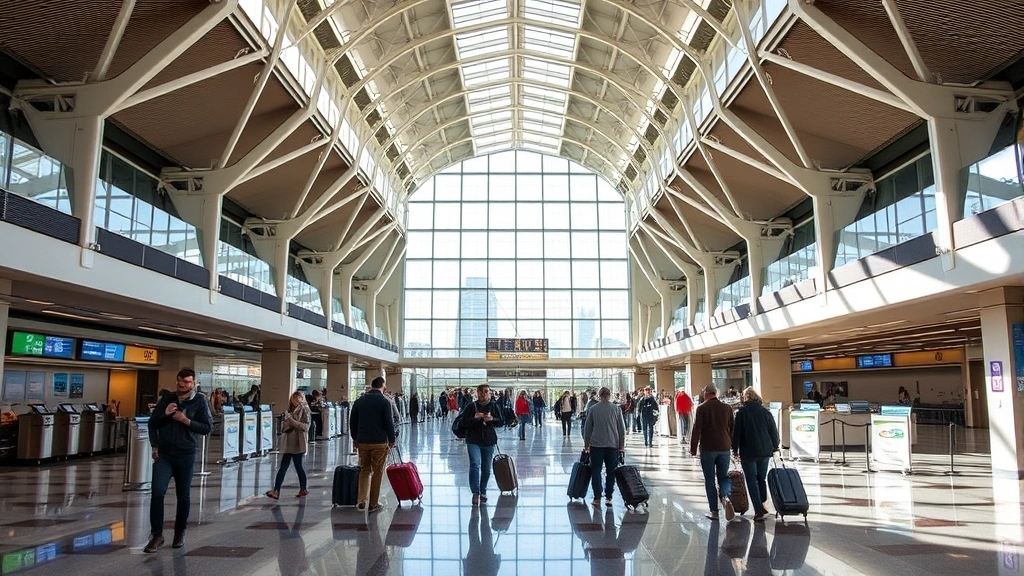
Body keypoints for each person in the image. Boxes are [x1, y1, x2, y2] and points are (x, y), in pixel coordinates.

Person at [144, 367, 212, 553]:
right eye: (180, 381)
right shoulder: (167, 399)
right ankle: (157, 535)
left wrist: (186, 421)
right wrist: (156, 441)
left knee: (183, 496)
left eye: (187, 382)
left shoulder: (199, 401)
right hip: (165, 454)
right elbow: (153, 423)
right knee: (157, 491)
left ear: (193, 383)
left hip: (185, 454)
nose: (183, 385)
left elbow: (207, 427)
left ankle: (179, 532)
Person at [349, 376, 396, 513]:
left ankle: (362, 500)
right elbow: (389, 423)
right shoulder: (384, 402)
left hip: (363, 441)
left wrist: (355, 438)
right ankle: (373, 504)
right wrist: (392, 439)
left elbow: (353, 422)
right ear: (382, 385)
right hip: (380, 442)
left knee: (364, 470)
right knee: (377, 472)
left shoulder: (359, 401)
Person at [732, 387, 780, 522]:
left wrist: (734, 449)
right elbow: (773, 431)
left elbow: (737, 433)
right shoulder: (766, 412)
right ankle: (763, 505)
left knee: (751, 480)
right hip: (765, 450)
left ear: (745, 398)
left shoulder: (741, 412)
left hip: (748, 451)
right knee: (761, 478)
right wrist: (775, 445)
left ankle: (758, 510)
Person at [690, 385, 736, 521]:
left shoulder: (702, 408)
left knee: (710, 480)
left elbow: (696, 429)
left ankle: (714, 512)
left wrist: (693, 448)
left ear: (706, 394)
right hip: (724, 448)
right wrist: (732, 447)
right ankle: (726, 497)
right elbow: (732, 428)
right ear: (716, 393)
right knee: (723, 477)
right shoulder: (727, 408)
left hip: (708, 448)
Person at [457, 384, 505, 506]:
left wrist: (492, 419)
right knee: (474, 464)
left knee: (486, 469)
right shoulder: (471, 407)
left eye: (486, 391)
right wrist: (475, 418)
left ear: (489, 393)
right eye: (481, 392)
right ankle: (475, 492)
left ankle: (483, 490)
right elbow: (463, 423)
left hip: (489, 441)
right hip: (473, 440)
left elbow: (501, 421)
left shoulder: (494, 406)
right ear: (477, 393)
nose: (483, 394)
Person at [583, 387, 626, 507]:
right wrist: (621, 445)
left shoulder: (593, 409)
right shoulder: (616, 409)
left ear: (599, 395)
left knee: (596, 471)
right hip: (613, 445)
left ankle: (597, 497)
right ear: (609, 395)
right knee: (611, 471)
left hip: (596, 445)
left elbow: (587, 428)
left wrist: (587, 444)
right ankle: (609, 497)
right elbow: (622, 429)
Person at [266, 391, 311, 500]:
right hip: (288, 443)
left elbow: (306, 427)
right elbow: (285, 427)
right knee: (284, 467)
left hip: (298, 443)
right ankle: (276, 490)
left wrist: (292, 422)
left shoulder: (305, 410)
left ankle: (303, 488)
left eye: (296, 399)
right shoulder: (289, 410)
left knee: (298, 466)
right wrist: (286, 425)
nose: (294, 402)